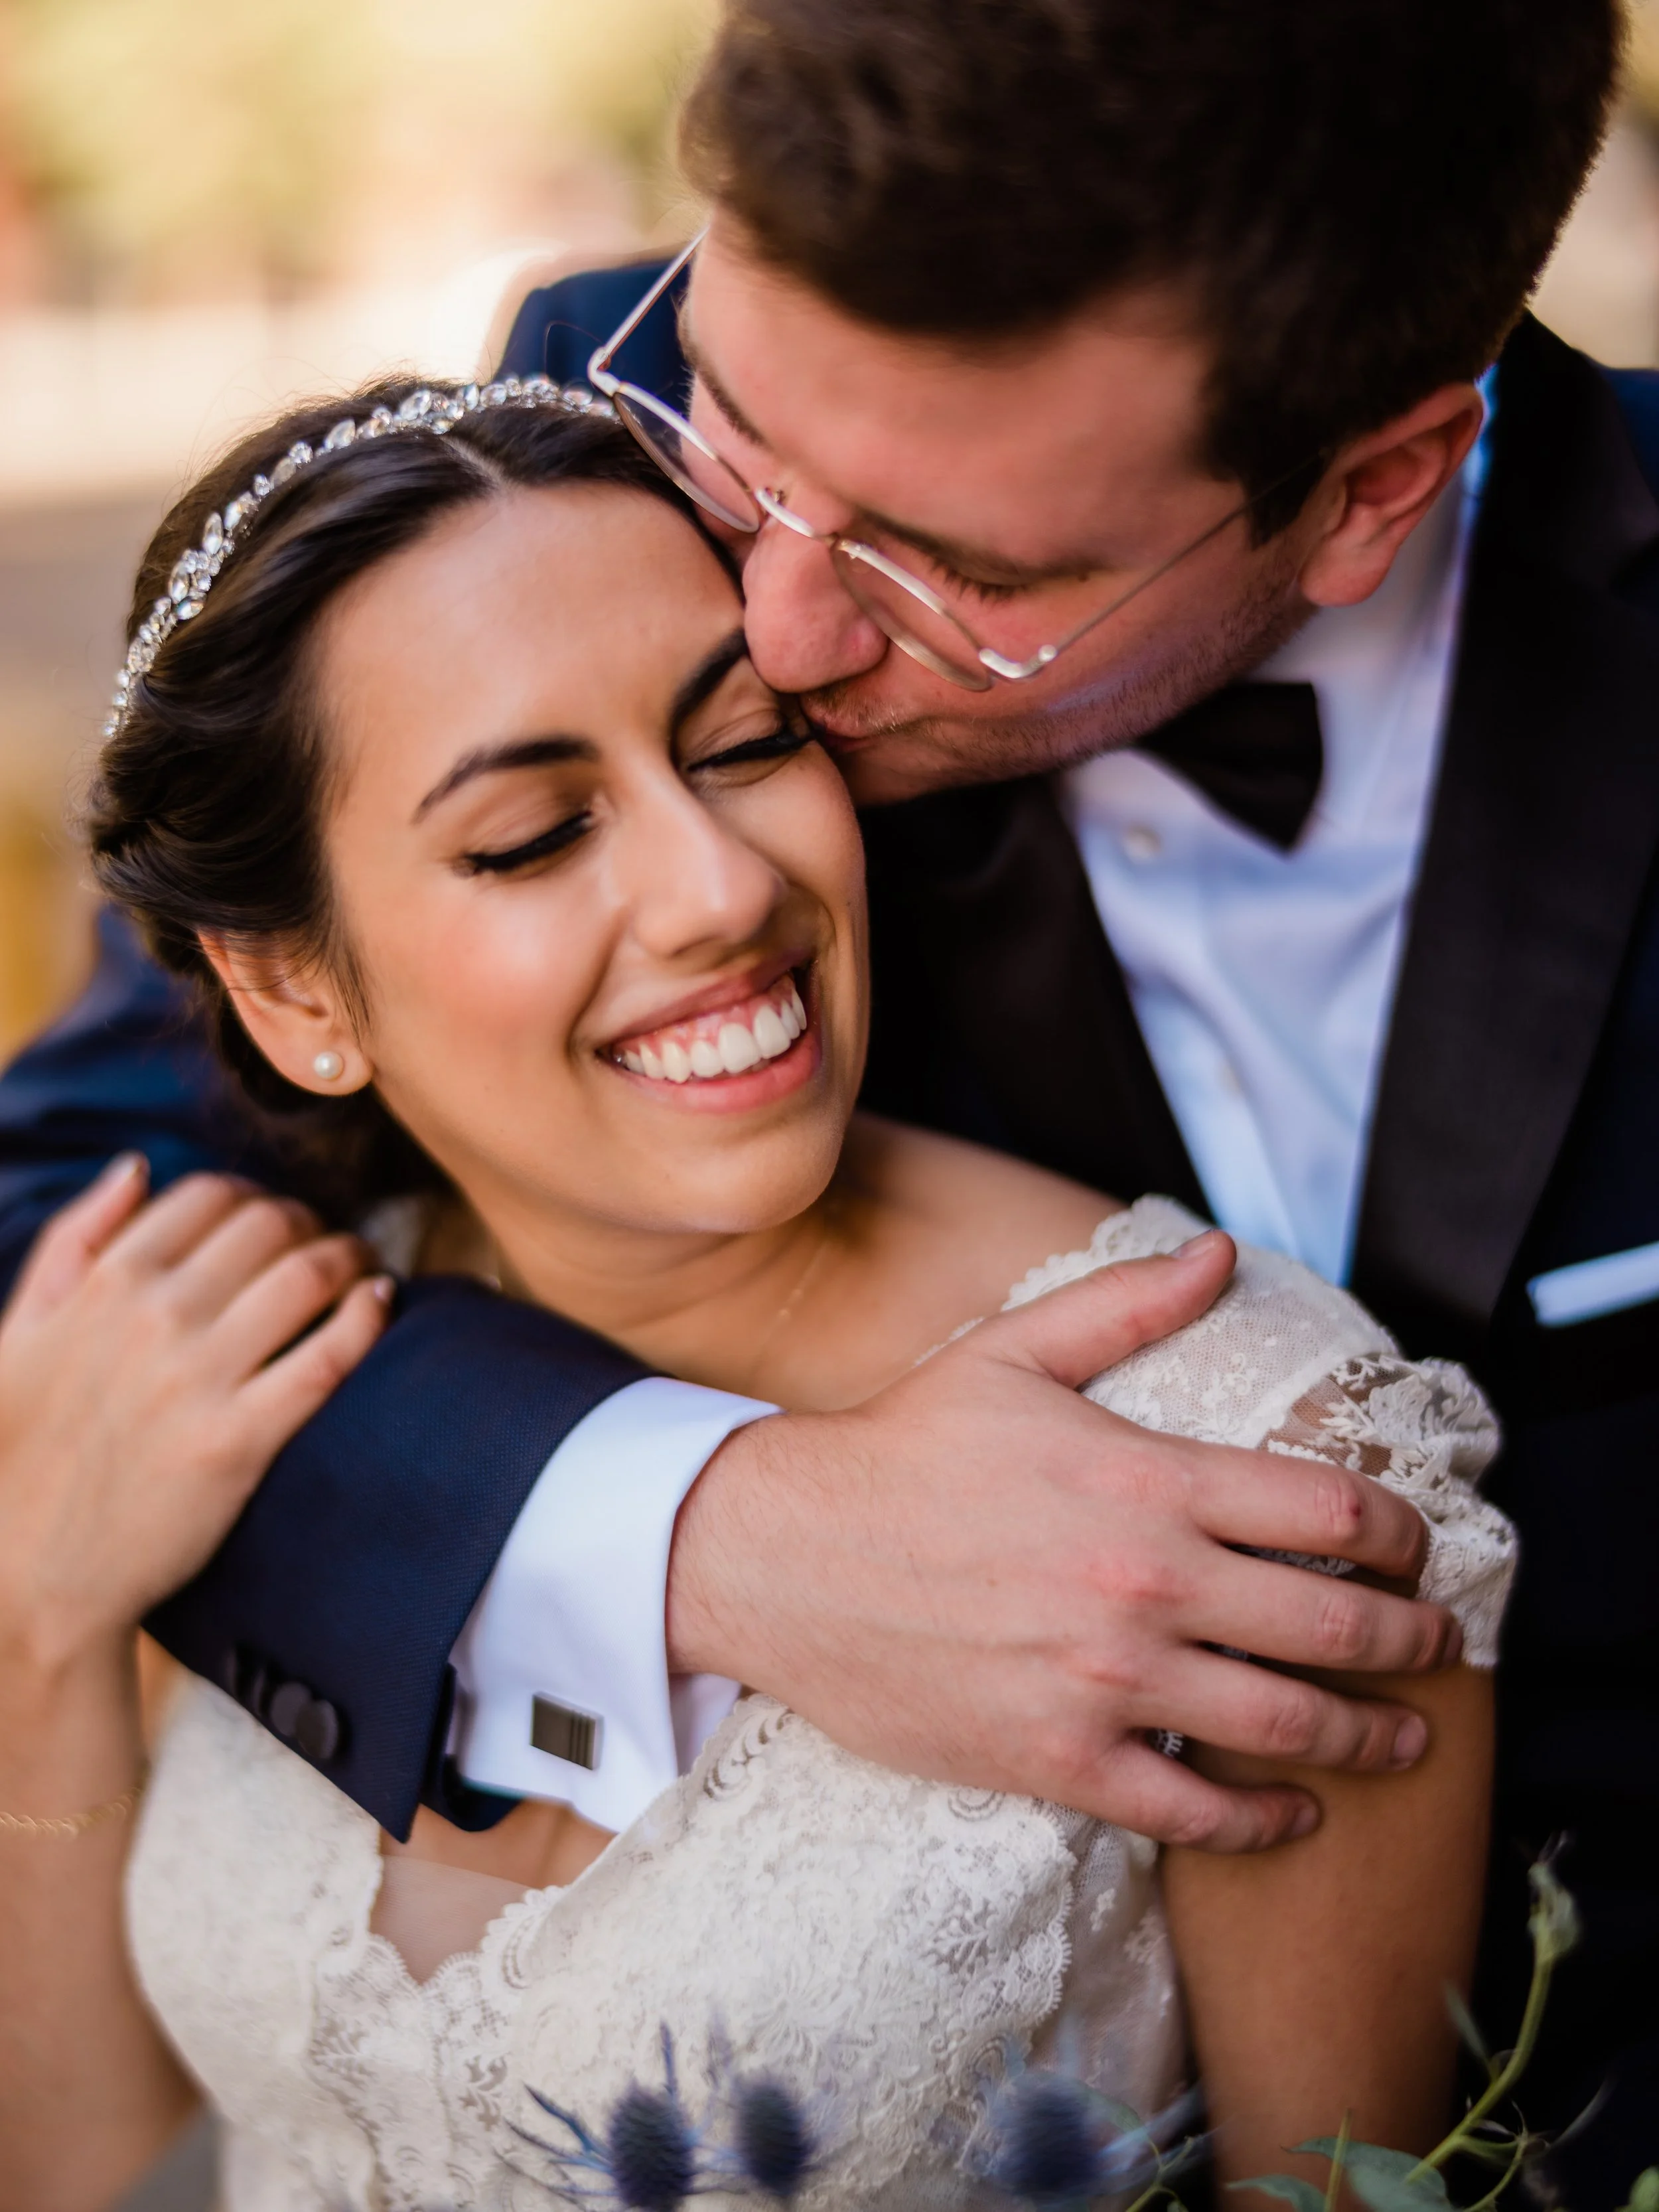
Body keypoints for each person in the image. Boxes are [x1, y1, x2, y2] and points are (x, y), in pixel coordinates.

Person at [0, 0, 1647, 2190]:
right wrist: (696, 1523)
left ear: (1368, 490)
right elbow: (69, 1198)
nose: (769, 613)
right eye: (742, 437)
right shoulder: (582, 451)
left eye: (948, 570)